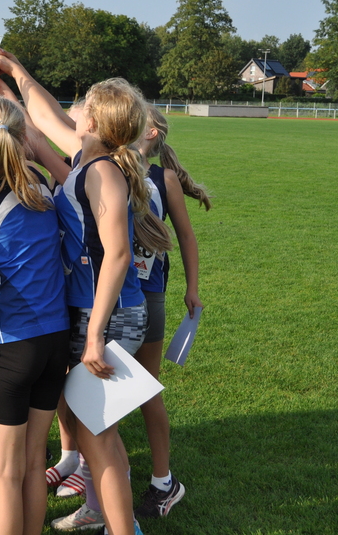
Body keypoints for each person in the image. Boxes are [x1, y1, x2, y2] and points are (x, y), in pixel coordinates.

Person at [0, 48, 170, 535]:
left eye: (80, 105)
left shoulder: (104, 170)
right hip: (91, 313)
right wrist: (13, 73)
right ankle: (104, 513)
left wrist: (93, 337)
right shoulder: (86, 158)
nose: (70, 111)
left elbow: (118, 255)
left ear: (92, 118)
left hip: (106, 317)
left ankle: (122, 526)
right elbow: (42, 118)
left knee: (97, 434)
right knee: (94, 429)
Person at [0, 97, 70, 535]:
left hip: (11, 344)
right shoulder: (42, 183)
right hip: (55, 339)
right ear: (24, 138)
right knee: (33, 459)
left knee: (5, 468)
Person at [129, 106, 210, 519]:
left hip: (149, 296)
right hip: (103, 297)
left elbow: (186, 236)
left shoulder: (164, 179)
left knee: (146, 388)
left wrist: (192, 288)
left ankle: (164, 482)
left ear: (153, 131)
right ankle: (84, 469)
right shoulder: (108, 165)